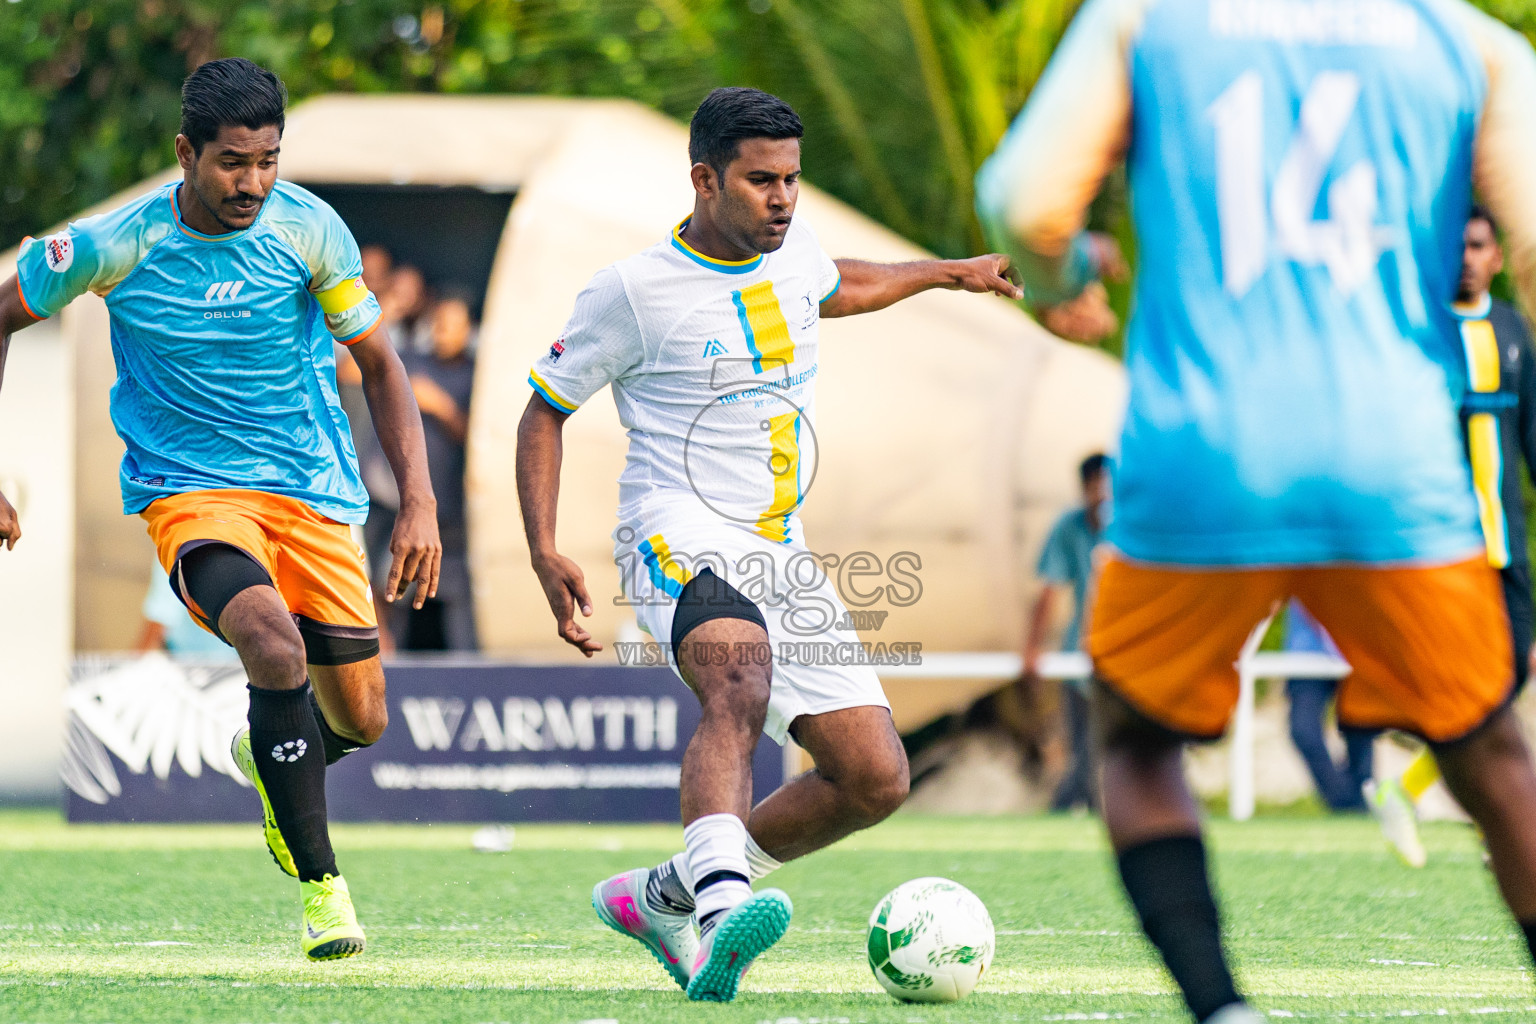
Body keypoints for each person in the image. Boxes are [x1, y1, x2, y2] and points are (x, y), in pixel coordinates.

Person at [977, 1, 1536, 1021]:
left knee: (1134, 741)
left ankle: (1221, 1007)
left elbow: (1025, 200)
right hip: (1395, 460)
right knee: (1490, 750)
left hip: (1203, 455)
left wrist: (1065, 280)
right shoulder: (1466, 39)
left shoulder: (1144, 18)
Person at [517, 86, 1021, 1003]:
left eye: (791, 179)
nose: (782, 198)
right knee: (737, 676)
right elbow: (544, 411)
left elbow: (839, 285)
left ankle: (665, 896)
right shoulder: (630, 291)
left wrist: (950, 272)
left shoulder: (792, 253)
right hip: (674, 529)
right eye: (761, 181)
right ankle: (720, 917)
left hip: (778, 549)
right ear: (705, 179)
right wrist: (544, 548)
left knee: (873, 778)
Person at [0, 58, 441, 962]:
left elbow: (379, 363)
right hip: (191, 494)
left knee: (362, 720)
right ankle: (324, 892)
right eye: (232, 162)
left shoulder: (309, 228)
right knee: (271, 644)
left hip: (312, 491)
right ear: (185, 154)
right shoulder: (116, 242)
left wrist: (419, 503)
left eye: (267, 160)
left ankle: (272, 753)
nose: (252, 182)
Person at [1366, 205, 1536, 867]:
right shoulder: (1422, 330)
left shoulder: (1513, 331)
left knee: (1505, 679)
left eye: (1478, 246)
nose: (1466, 258)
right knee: (1478, 687)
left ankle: (1410, 791)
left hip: (1505, 542)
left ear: (1496, 257)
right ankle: (1498, 818)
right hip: (1442, 545)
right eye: (1457, 245)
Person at [1024, 452, 1111, 813]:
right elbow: (1049, 591)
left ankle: (1062, 813)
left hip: (1122, 661)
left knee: (1098, 759)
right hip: (1081, 659)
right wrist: (1033, 647)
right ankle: (1068, 814)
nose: (1102, 495)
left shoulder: (1129, 526)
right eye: (1095, 486)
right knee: (1086, 758)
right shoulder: (1070, 527)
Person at [400, 293, 478, 650]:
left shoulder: (476, 374)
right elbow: (353, 371)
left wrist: (440, 406)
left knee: (458, 598)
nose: (442, 332)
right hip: (402, 506)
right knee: (394, 590)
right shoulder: (414, 362)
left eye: (451, 325)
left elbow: (483, 437)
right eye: (438, 324)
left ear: (468, 329)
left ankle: (468, 669)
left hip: (454, 511)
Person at [1282, 601, 1376, 814]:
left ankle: (1361, 802)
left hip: (1358, 649)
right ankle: (1347, 803)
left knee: (1361, 729)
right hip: (1306, 653)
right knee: (1303, 729)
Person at [137, 560, 241, 662]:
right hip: (235, 660)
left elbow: (161, 619)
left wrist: (134, 665)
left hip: (190, 662)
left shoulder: (173, 553)